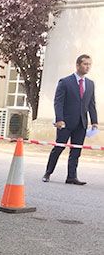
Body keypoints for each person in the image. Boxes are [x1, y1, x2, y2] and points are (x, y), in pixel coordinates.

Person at [43, 54, 98, 185]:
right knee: (59, 148)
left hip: (81, 123)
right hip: (65, 123)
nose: (88, 67)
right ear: (78, 65)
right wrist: (59, 119)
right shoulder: (65, 82)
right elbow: (58, 102)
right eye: (85, 64)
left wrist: (94, 121)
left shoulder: (90, 84)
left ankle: (71, 177)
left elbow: (91, 104)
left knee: (76, 150)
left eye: (89, 64)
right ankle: (48, 173)